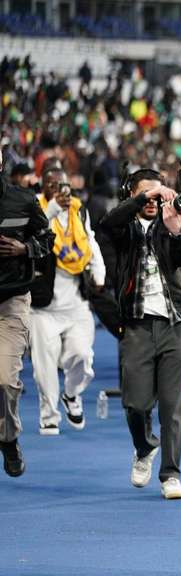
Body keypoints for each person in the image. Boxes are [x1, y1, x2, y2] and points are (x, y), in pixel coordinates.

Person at [100, 168, 181, 500]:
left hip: (176, 324)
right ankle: (144, 447)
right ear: (133, 196)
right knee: (136, 405)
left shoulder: (176, 221)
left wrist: (176, 230)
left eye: (160, 193)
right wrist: (143, 197)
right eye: (147, 195)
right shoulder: (122, 228)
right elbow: (106, 223)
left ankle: (170, 473)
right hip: (138, 326)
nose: (156, 200)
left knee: (173, 406)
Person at [29, 168, 105, 435]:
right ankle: (49, 415)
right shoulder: (34, 208)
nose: (59, 190)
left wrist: (99, 273)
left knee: (82, 356)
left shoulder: (78, 210)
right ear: (44, 187)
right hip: (43, 307)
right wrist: (49, 209)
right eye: (52, 185)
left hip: (76, 303)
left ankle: (72, 394)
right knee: (44, 367)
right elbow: (32, 235)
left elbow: (90, 242)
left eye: (63, 184)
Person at [0, 149, 53, 476]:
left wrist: (25, 248)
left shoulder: (22, 200)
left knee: (4, 380)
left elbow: (47, 238)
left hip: (11, 302)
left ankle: (7, 438)